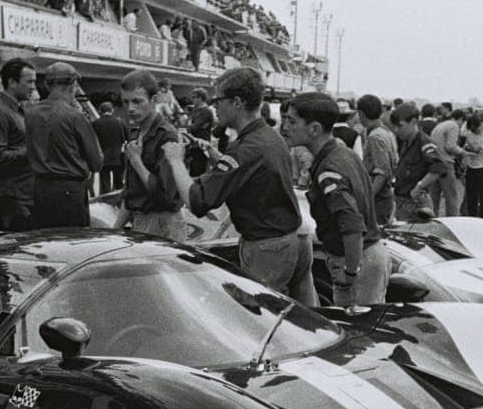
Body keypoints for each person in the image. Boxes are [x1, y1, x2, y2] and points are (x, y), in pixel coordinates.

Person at [161, 67, 316, 306]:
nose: (214, 107)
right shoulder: (270, 136)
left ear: (236, 102)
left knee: (261, 325)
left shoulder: (245, 148)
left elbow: (198, 201)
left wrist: (175, 160)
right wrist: (216, 156)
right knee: (303, 322)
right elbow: (251, 178)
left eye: (218, 100)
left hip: (268, 248)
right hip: (295, 239)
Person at [283, 92, 384, 306]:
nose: (285, 127)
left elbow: (352, 225)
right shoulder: (343, 153)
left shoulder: (329, 169)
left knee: (354, 333)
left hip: (356, 259)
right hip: (368, 255)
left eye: (292, 121)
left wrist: (350, 271)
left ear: (315, 129)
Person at [25, 63, 103, 229]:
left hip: (40, 189)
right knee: (73, 245)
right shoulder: (75, 116)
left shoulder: (31, 114)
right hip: (70, 191)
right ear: (73, 85)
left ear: (47, 85)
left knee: (46, 243)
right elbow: (96, 161)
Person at [113, 69, 185, 242]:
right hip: (140, 220)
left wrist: (137, 162)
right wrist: (115, 230)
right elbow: (131, 191)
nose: (130, 108)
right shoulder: (135, 134)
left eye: (137, 101)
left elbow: (165, 195)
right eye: (126, 102)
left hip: (163, 222)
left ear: (153, 100)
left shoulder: (167, 136)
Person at [0, 58, 36, 231]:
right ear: (12, 82)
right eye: (29, 81)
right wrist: (33, 151)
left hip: (21, 193)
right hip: (9, 197)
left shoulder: (18, 110)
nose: (33, 87)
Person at [389, 102, 449, 221]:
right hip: (403, 202)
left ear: (414, 122)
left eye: (400, 126)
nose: (396, 130)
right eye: (394, 126)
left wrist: (419, 186)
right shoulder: (407, 142)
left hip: (416, 204)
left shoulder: (424, 142)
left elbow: (440, 166)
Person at [356, 93, 398, 228]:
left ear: (361, 113)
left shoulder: (375, 136)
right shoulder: (385, 132)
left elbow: (381, 173)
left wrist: (367, 198)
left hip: (378, 198)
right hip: (384, 195)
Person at [429, 108, 465, 216]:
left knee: (433, 197)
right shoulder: (454, 126)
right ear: (461, 119)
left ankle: (432, 220)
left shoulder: (440, 125)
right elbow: (450, 146)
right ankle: (452, 221)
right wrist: (462, 152)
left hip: (434, 162)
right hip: (446, 163)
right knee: (451, 196)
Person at [92, 101, 125, 192]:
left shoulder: (96, 123)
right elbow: (127, 138)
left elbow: (92, 140)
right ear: (112, 110)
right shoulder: (119, 123)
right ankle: (118, 203)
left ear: (100, 111)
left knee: (105, 184)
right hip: (117, 157)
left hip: (103, 157)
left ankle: (106, 202)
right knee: (119, 184)